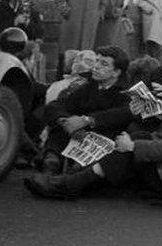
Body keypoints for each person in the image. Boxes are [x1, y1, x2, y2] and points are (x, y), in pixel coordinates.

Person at [24, 58, 162, 209]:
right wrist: (161, 119)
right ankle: (76, 179)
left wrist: (133, 146)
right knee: (136, 136)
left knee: (133, 143)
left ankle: (70, 184)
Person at [37, 46, 134, 174]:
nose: (96, 66)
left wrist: (88, 120)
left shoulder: (129, 90)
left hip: (106, 141)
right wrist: (66, 121)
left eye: (103, 64)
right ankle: (51, 162)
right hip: (78, 136)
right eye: (97, 61)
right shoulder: (89, 85)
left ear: (116, 72)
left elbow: (125, 113)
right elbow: (58, 105)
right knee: (58, 129)